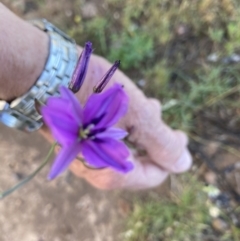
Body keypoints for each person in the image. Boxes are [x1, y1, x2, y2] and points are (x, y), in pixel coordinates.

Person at [0, 3, 192, 190]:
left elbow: (116, 127)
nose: (86, 133)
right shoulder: (79, 133)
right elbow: (107, 108)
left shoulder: (90, 134)